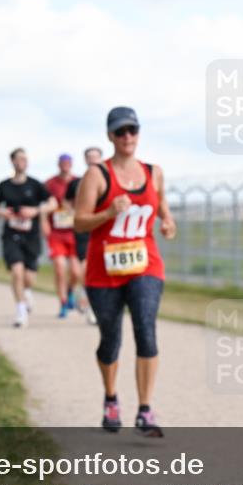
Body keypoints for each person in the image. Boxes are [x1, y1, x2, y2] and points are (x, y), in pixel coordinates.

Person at [75, 107, 176, 437]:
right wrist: (107, 212)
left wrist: (167, 221)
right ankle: (111, 399)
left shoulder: (153, 172)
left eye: (132, 130)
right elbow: (79, 221)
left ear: (139, 133)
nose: (127, 136)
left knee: (146, 330)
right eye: (120, 131)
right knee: (111, 339)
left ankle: (145, 410)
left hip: (145, 264)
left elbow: (161, 206)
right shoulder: (96, 175)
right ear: (110, 136)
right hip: (104, 270)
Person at [0, 148, 57, 328]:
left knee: (29, 277)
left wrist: (35, 211)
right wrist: (2, 212)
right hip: (11, 234)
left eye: (25, 159)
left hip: (32, 235)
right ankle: (20, 310)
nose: (23, 162)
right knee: (16, 271)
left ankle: (26, 292)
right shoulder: (4, 185)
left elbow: (53, 204)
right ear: (12, 161)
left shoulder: (35, 184)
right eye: (19, 159)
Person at [43, 154, 86, 318]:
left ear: (72, 165)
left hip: (74, 232)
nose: (65, 166)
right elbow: (43, 204)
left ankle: (69, 292)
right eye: (62, 163)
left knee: (76, 272)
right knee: (60, 268)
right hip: (56, 232)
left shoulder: (79, 182)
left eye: (68, 163)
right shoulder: (50, 183)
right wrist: (44, 221)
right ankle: (62, 303)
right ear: (58, 165)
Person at [68, 147, 105, 325]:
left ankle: (87, 298)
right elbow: (66, 203)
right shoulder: (77, 183)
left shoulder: (109, 179)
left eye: (95, 158)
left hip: (103, 229)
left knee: (100, 270)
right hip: (84, 230)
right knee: (86, 268)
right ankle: (89, 305)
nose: (92, 161)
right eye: (89, 158)